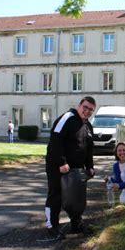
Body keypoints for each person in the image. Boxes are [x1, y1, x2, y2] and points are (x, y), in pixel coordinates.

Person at [44, 96, 96, 240]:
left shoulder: (88, 126)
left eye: (90, 110)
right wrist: (61, 162)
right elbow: (55, 140)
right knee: (56, 195)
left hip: (77, 170)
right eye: (85, 107)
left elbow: (89, 149)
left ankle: (76, 224)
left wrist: (90, 166)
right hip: (57, 166)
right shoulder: (67, 118)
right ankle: (52, 226)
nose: (87, 111)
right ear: (79, 105)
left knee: (76, 197)